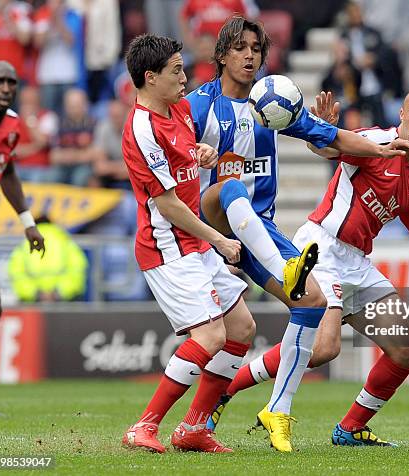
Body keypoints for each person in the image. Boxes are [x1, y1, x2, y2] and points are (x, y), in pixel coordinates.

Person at [207, 87, 409, 446]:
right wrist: (323, 130)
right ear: (401, 114)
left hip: (356, 261)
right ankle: (223, 390)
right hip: (320, 246)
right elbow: (325, 148)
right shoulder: (374, 142)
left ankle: (350, 428)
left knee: (407, 346)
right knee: (324, 348)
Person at [186, 16, 409, 452]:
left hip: (258, 231)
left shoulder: (269, 104)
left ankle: (243, 414)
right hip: (208, 225)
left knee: (307, 305)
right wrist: (195, 153)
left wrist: (381, 147)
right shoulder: (200, 106)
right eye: (239, 48)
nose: (249, 55)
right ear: (221, 55)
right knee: (234, 325)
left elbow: (331, 136)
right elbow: (171, 156)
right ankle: (203, 414)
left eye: (256, 48)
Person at [120, 34, 256, 454]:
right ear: (150, 77)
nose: (185, 77)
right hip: (167, 246)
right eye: (176, 71)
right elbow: (167, 204)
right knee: (211, 335)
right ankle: (144, 426)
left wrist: (199, 153)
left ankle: (194, 428)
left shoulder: (178, 108)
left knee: (242, 329)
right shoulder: (140, 128)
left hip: (192, 243)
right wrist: (219, 239)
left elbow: (180, 156)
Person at [0, 60, 45, 335]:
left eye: (11, 82)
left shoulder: (12, 125)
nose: (5, 88)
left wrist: (28, 222)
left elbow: (8, 171)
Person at [8, 216, 87, 302]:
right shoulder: (65, 241)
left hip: (33, 303)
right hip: (64, 302)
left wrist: (35, 293)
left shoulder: (24, 244)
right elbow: (77, 268)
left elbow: (16, 273)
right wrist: (59, 292)